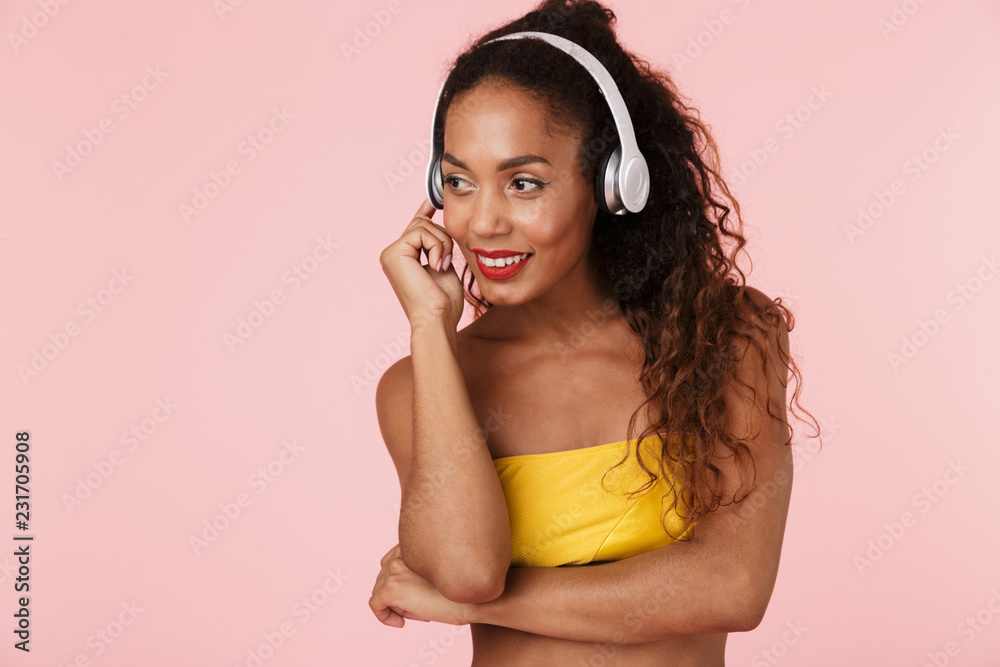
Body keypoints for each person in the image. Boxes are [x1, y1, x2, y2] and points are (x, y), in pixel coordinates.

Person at [370, 0, 821, 664]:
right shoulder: (419, 384)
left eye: (524, 183)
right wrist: (430, 329)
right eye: (460, 182)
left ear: (612, 183)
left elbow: (732, 585)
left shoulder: (727, 339)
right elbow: (467, 571)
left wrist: (476, 609)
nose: (482, 223)